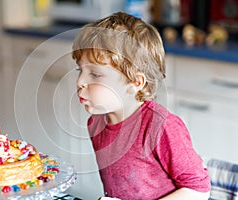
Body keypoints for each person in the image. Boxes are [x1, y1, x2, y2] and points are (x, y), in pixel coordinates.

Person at [72, 12, 211, 200]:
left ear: (135, 82)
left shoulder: (161, 127)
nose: (80, 81)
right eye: (81, 70)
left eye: (95, 74)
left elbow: (198, 190)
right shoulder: (96, 123)